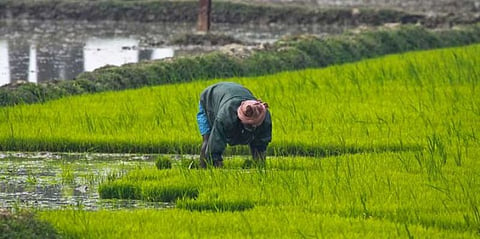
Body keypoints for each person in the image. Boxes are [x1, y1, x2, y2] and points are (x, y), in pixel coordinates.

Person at [196, 82, 272, 168]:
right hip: (209, 100)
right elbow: (214, 148)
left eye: (255, 124)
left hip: (232, 94)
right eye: (249, 125)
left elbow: (261, 145)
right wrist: (218, 170)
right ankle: (202, 169)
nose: (253, 127)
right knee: (208, 140)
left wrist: (259, 167)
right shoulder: (225, 117)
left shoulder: (264, 116)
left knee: (258, 146)